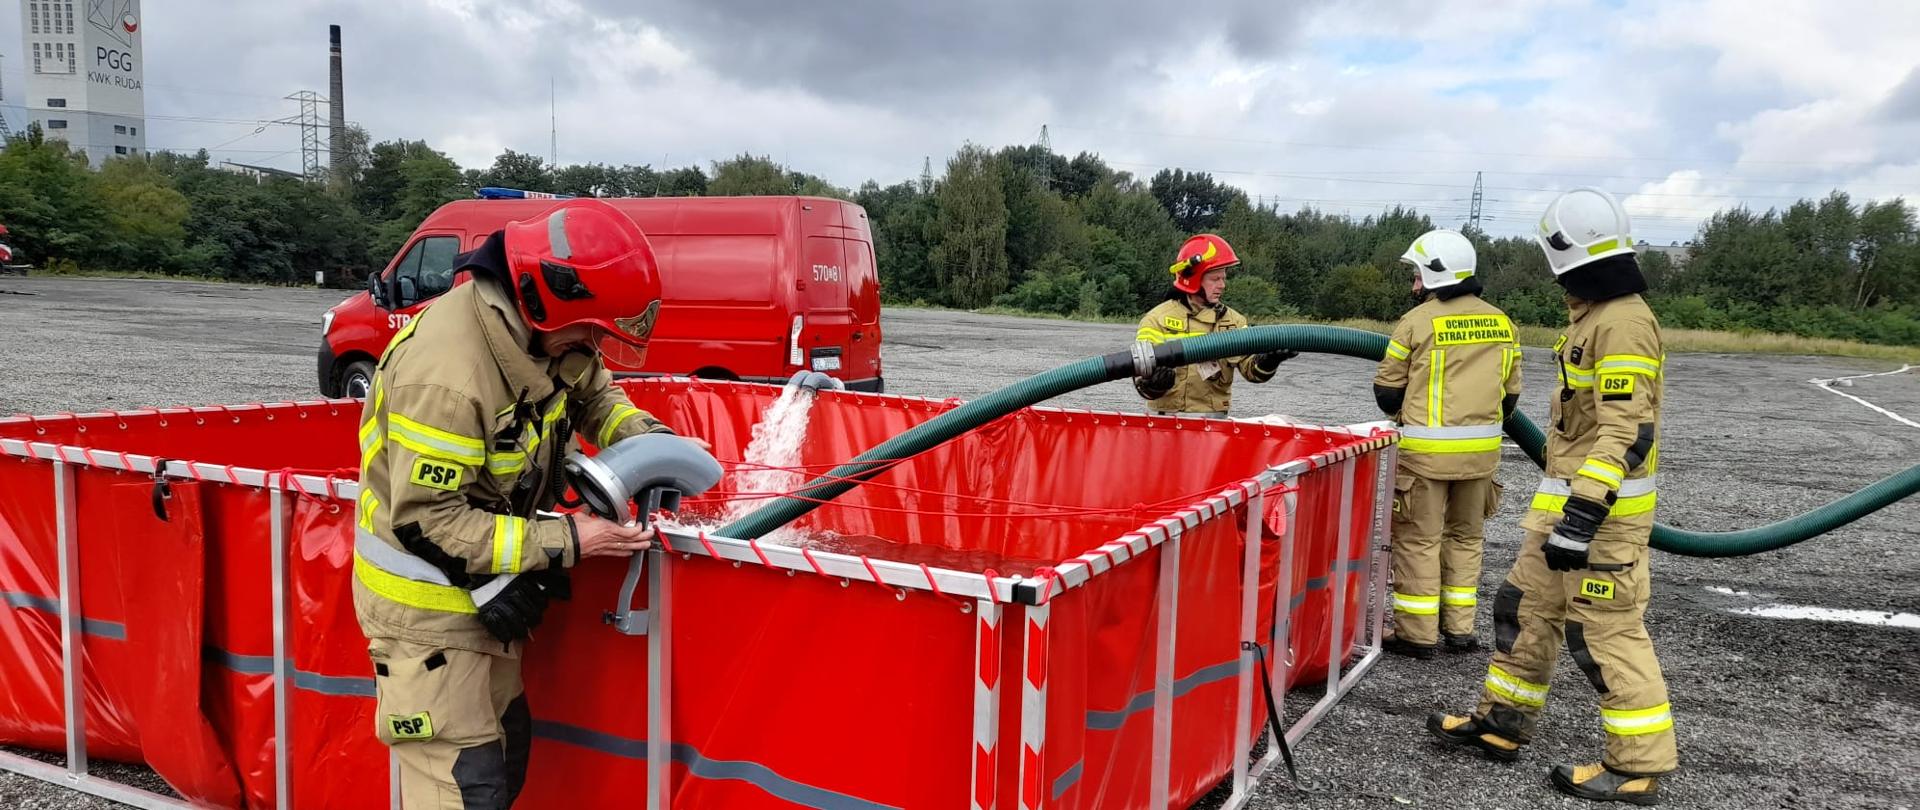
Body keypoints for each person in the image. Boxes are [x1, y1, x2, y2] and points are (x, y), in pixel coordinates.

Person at [351, 198, 705, 809]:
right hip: (427, 617)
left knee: (504, 764)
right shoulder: (449, 377)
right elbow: (428, 518)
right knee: (465, 790)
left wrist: (650, 444)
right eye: (592, 329)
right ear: (544, 300)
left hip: (489, 589)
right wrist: (572, 540)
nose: (595, 343)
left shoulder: (545, 331)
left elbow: (597, 393)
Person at [1427, 188, 1675, 805]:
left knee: (1605, 632)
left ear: (1566, 251)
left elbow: (1626, 428)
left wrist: (1585, 514)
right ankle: (1502, 723)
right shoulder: (1593, 313)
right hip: (1564, 508)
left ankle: (1638, 764)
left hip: (1603, 519)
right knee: (1525, 609)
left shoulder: (1623, 322)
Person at [1373, 229, 1522, 659]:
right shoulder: (1501, 322)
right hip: (1480, 459)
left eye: (1417, 275)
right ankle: (1460, 630)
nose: (1414, 285)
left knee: (1418, 540)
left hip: (1425, 459)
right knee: (1466, 538)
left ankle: (1417, 634)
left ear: (1437, 273)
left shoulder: (1417, 322)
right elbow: (1510, 397)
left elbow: (1387, 393)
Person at [1133, 234, 1294, 415]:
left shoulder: (1233, 322)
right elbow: (1139, 375)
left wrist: (1270, 359)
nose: (1222, 285)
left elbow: (1253, 373)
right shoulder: (1156, 320)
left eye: (1223, 278)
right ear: (1192, 278)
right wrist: (1153, 384)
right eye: (1215, 279)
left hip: (1213, 431)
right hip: (1166, 428)